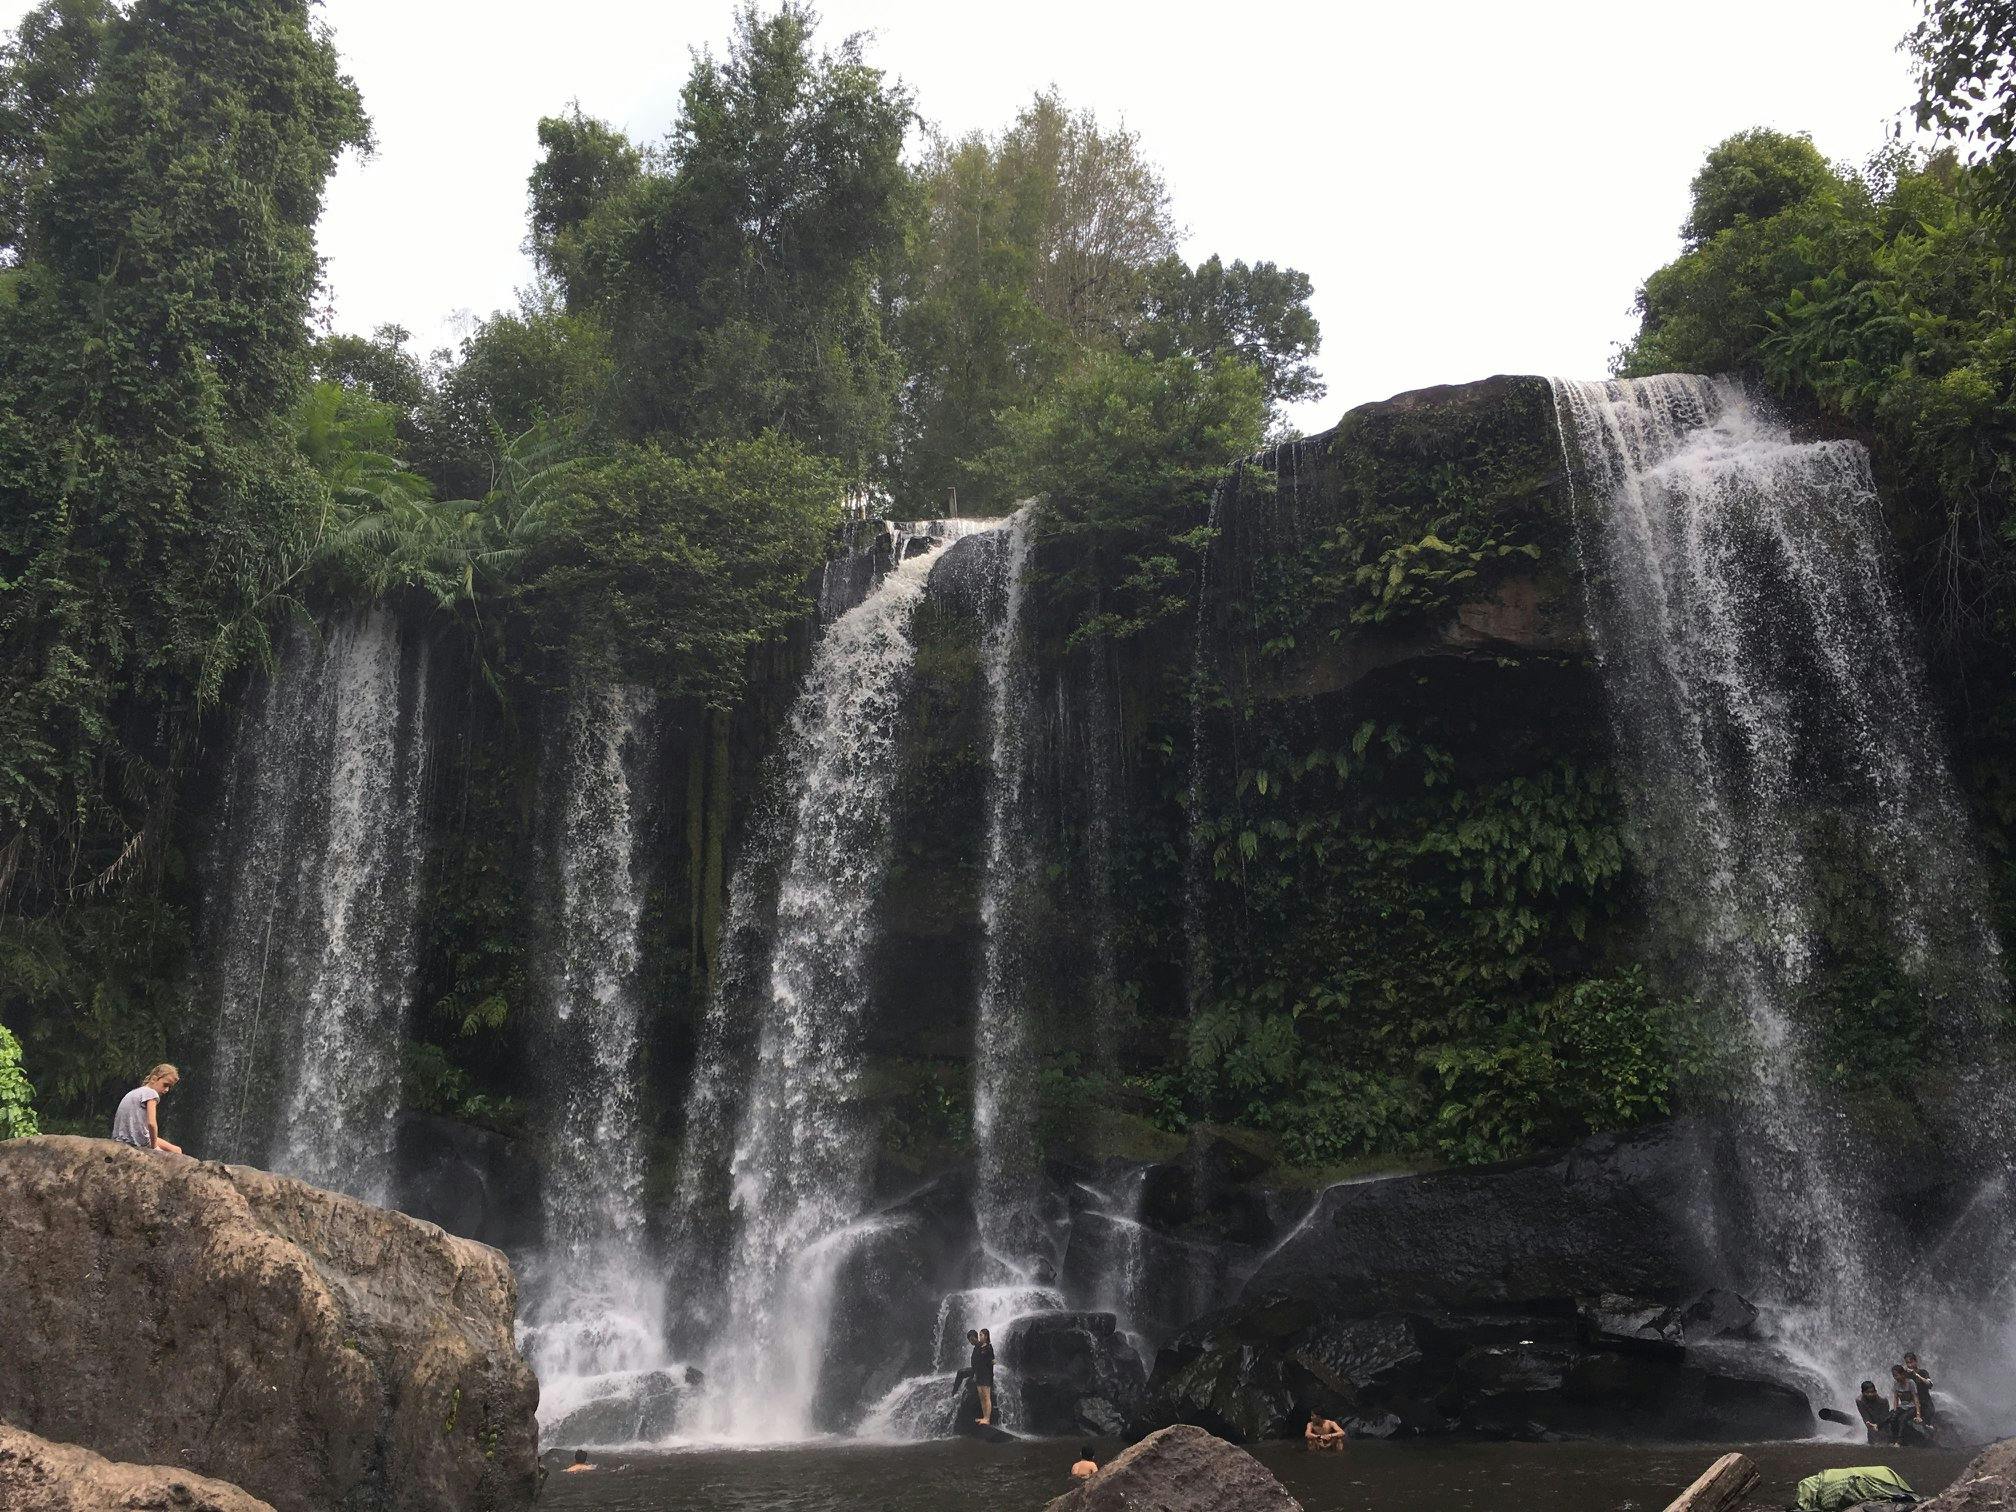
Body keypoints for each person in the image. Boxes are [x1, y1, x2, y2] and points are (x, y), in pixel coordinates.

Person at [112, 1065, 185, 1158]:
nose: (167, 1090)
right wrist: (154, 1147)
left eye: (169, 1087)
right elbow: (151, 1123)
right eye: (165, 1085)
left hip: (121, 1139)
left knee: (176, 1149)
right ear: (154, 1079)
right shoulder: (151, 1093)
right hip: (137, 1140)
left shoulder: (135, 1092)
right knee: (176, 1152)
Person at [1889, 1363, 1929, 1445]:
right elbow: (1895, 1398)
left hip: (1912, 1407)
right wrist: (1895, 1410)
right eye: (1893, 1376)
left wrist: (1918, 1415)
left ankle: (1899, 1441)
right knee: (1893, 1418)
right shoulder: (1896, 1384)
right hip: (1903, 1407)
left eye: (1896, 1375)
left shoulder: (1911, 1382)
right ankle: (1894, 1438)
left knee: (1903, 1419)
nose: (1895, 1377)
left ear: (1903, 1374)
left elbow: (1916, 1398)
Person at [1903, 1352, 1936, 1426]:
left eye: (1911, 1362)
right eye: (1907, 1363)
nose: (1909, 1365)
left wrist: (1916, 1375)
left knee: (1930, 1415)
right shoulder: (1906, 1375)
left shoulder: (1923, 1372)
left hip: (1925, 1402)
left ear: (1916, 1361)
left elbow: (1930, 1384)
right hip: (1912, 1403)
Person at [974, 1328, 996, 1427]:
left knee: (987, 1397)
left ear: (986, 1336)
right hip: (979, 1374)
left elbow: (993, 1361)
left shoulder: (989, 1348)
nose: (980, 1337)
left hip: (986, 1375)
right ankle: (984, 1417)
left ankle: (987, 1418)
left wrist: (991, 1365)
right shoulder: (979, 1347)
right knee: (981, 1397)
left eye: (981, 1335)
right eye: (979, 1335)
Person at [1856, 1380, 1889, 1445]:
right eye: (1867, 1392)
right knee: (1873, 1441)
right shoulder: (1859, 1401)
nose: (1870, 1394)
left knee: (1885, 1440)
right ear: (1863, 1392)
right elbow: (1865, 1416)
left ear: (1876, 1391)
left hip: (1882, 1421)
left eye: (1872, 1392)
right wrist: (1869, 1425)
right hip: (1871, 1422)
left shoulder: (1883, 1400)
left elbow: (1885, 1416)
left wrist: (1878, 1426)